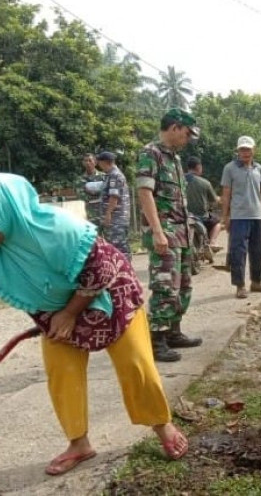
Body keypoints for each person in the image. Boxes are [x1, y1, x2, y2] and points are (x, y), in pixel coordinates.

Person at [0, 173, 187, 476]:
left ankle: (161, 424)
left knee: (136, 363)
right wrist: (59, 315)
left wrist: (71, 313)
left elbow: (102, 268)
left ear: (6, 208)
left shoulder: (56, 226)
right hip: (57, 311)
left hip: (111, 294)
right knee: (61, 371)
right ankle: (79, 443)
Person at [136, 108, 203, 362]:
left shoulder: (173, 158)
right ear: (174, 128)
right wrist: (157, 232)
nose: (188, 139)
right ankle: (156, 340)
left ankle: (174, 331)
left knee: (183, 285)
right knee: (165, 286)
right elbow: (145, 193)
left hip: (182, 233)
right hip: (165, 233)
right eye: (186, 133)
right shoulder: (150, 154)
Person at [220, 135, 261, 299]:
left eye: (248, 149)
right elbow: (226, 194)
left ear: (254, 150)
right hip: (238, 217)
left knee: (257, 251)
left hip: (257, 217)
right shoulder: (230, 168)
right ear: (238, 151)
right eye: (242, 149)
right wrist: (225, 217)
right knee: (238, 252)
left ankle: (256, 282)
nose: (245, 152)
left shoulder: (258, 169)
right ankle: (240, 285)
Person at [96, 151, 131, 261]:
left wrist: (108, 214)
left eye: (100, 163)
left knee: (119, 248)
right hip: (117, 219)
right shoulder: (111, 175)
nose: (99, 165)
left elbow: (114, 197)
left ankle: (125, 272)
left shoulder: (114, 175)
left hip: (116, 219)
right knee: (117, 248)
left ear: (105, 162)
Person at [185, 156, 222, 253]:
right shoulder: (205, 183)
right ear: (199, 167)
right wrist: (220, 199)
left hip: (182, 216)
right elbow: (214, 200)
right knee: (217, 223)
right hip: (201, 216)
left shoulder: (179, 180)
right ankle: (212, 242)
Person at [74, 153, 104, 226]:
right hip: (89, 214)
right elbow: (81, 197)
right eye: (85, 161)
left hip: (104, 213)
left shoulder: (104, 177)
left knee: (108, 236)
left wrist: (89, 191)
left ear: (95, 162)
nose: (88, 163)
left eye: (90, 160)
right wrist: (98, 193)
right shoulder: (79, 180)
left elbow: (107, 194)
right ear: (83, 163)